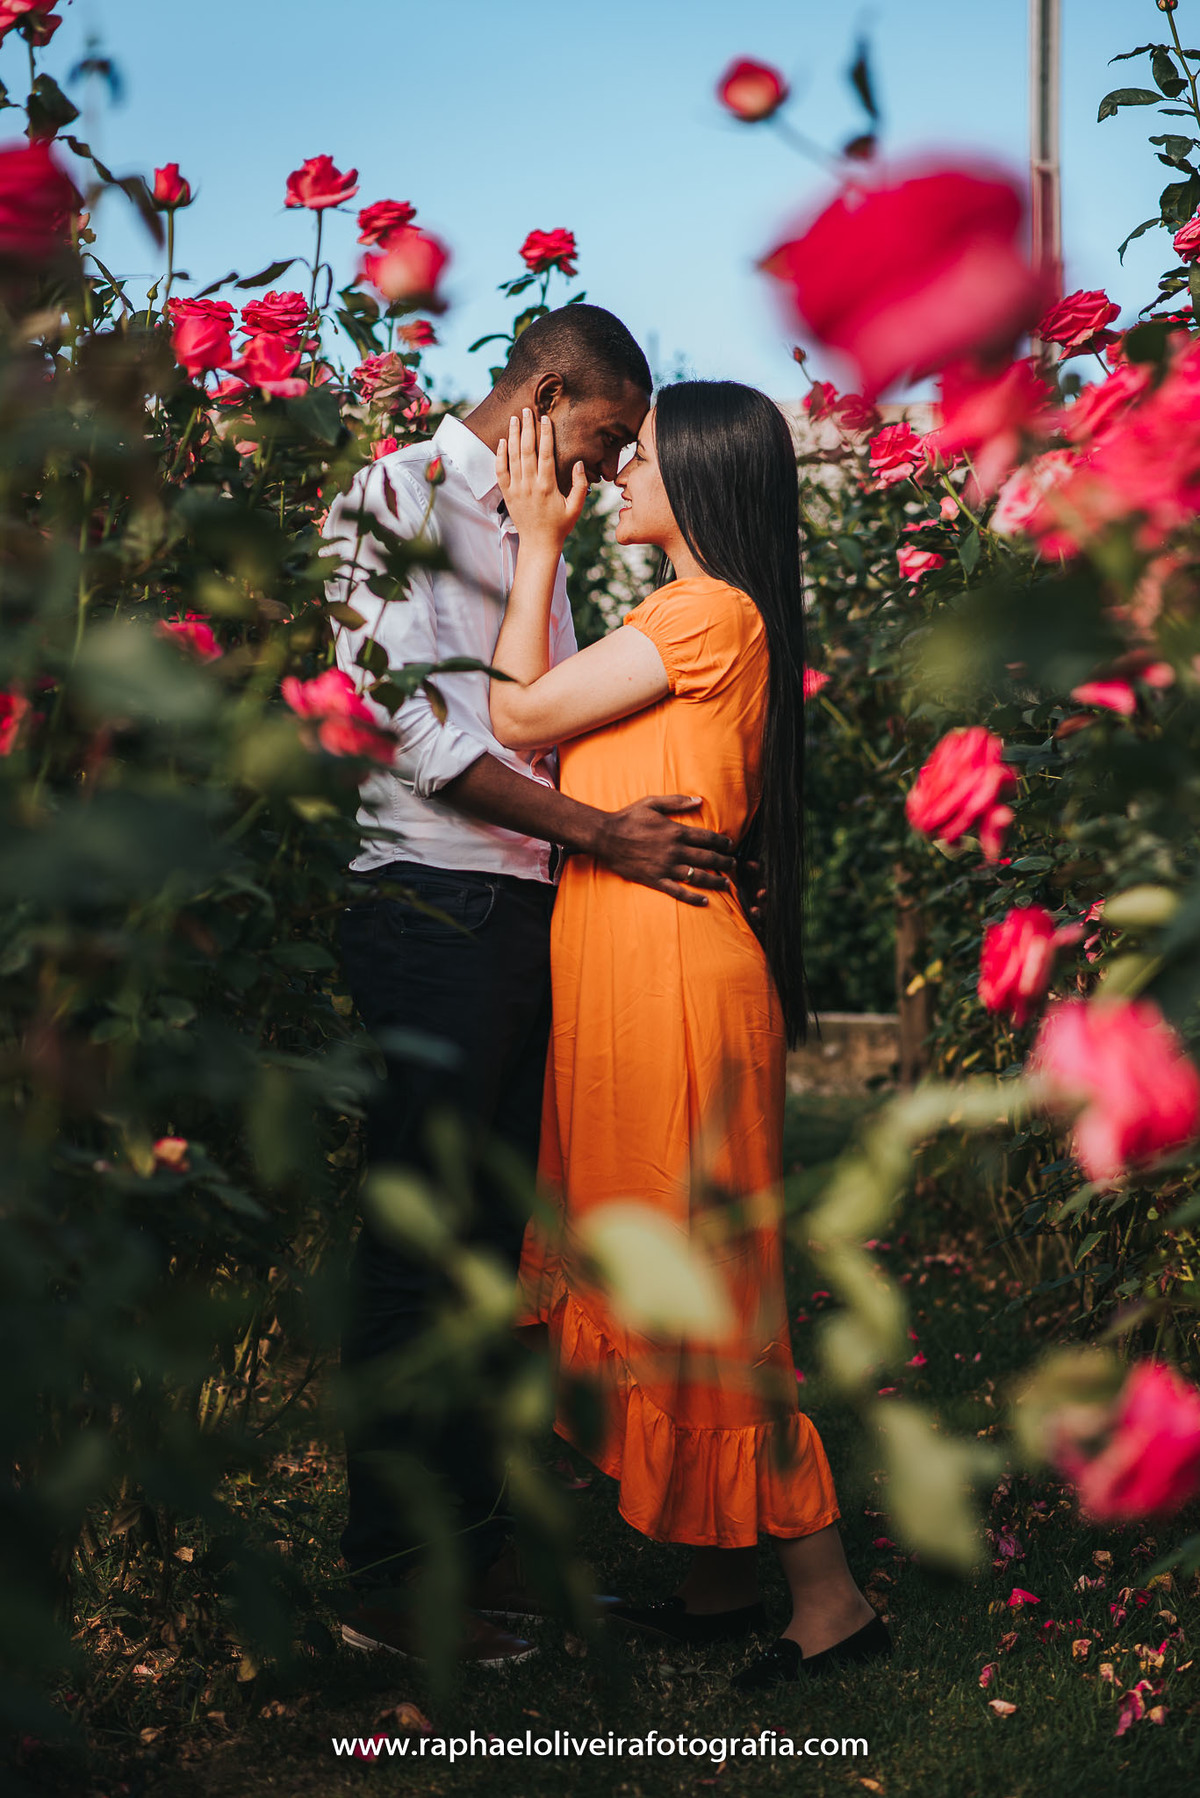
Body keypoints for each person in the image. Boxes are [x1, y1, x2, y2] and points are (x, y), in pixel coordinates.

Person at [324, 306, 738, 1667]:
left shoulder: (537, 530)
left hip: (523, 914)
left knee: (501, 1257)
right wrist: (602, 832)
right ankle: (386, 1575)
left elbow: (538, 716)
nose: (619, 467)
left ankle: (479, 1549)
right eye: (614, 434)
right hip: (427, 904)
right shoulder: (392, 494)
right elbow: (410, 722)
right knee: (420, 1251)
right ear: (549, 391)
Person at [487, 383, 890, 1689]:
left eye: (638, 460)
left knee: (703, 1285)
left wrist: (536, 538)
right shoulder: (688, 617)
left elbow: (517, 715)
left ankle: (829, 1599)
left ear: (702, 477)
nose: (617, 477)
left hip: (666, 984)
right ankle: (719, 1578)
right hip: (631, 975)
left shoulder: (705, 611)